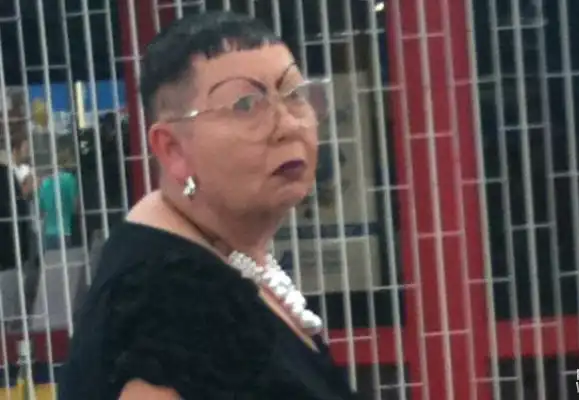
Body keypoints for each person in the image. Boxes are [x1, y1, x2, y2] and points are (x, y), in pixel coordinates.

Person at [60, 11, 357, 400]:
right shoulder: (166, 305)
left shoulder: (222, 252)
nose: (288, 125)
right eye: (246, 104)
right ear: (172, 149)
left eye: (294, 94)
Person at [0, 132, 33, 271]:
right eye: (25, 149)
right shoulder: (6, 173)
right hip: (10, 237)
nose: (27, 153)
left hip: (15, 236)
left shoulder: (11, 172)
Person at [38, 147, 78, 250]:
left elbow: (41, 211)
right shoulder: (69, 179)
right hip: (65, 230)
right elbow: (75, 206)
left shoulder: (45, 182)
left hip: (48, 233)